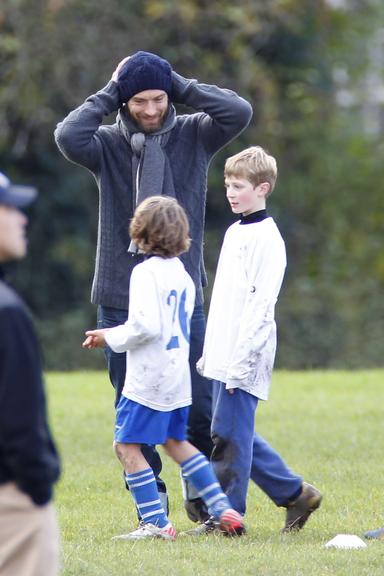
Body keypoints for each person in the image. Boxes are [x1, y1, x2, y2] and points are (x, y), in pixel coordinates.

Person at [54, 50, 252, 521]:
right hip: (120, 298)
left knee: (200, 412)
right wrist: (110, 88)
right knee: (134, 414)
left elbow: (238, 111)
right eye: (138, 100)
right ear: (124, 101)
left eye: (158, 99)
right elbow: (67, 135)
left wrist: (178, 84)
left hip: (185, 297)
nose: (148, 109)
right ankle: (152, 510)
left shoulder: (195, 134)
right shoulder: (105, 144)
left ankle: (206, 508)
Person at [82, 196, 244, 540]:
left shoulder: (144, 274)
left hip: (148, 380)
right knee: (176, 443)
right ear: (182, 235)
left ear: (138, 232)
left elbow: (145, 327)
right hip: (176, 379)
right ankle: (221, 507)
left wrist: (109, 336)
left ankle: (156, 523)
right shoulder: (184, 275)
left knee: (126, 446)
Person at [189, 146, 322, 535]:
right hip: (222, 355)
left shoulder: (268, 239)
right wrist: (211, 354)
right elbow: (226, 302)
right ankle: (297, 494)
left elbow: (261, 307)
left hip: (244, 359)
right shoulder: (235, 231)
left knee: (229, 437)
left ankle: (227, 518)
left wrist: (240, 364)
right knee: (233, 432)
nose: (230, 192)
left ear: (262, 188)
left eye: (239, 186)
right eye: (228, 184)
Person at [0, 172, 61, 575]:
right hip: (12, 502)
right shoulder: (7, 312)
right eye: (9, 207)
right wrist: (37, 491)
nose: (21, 218)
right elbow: (20, 422)